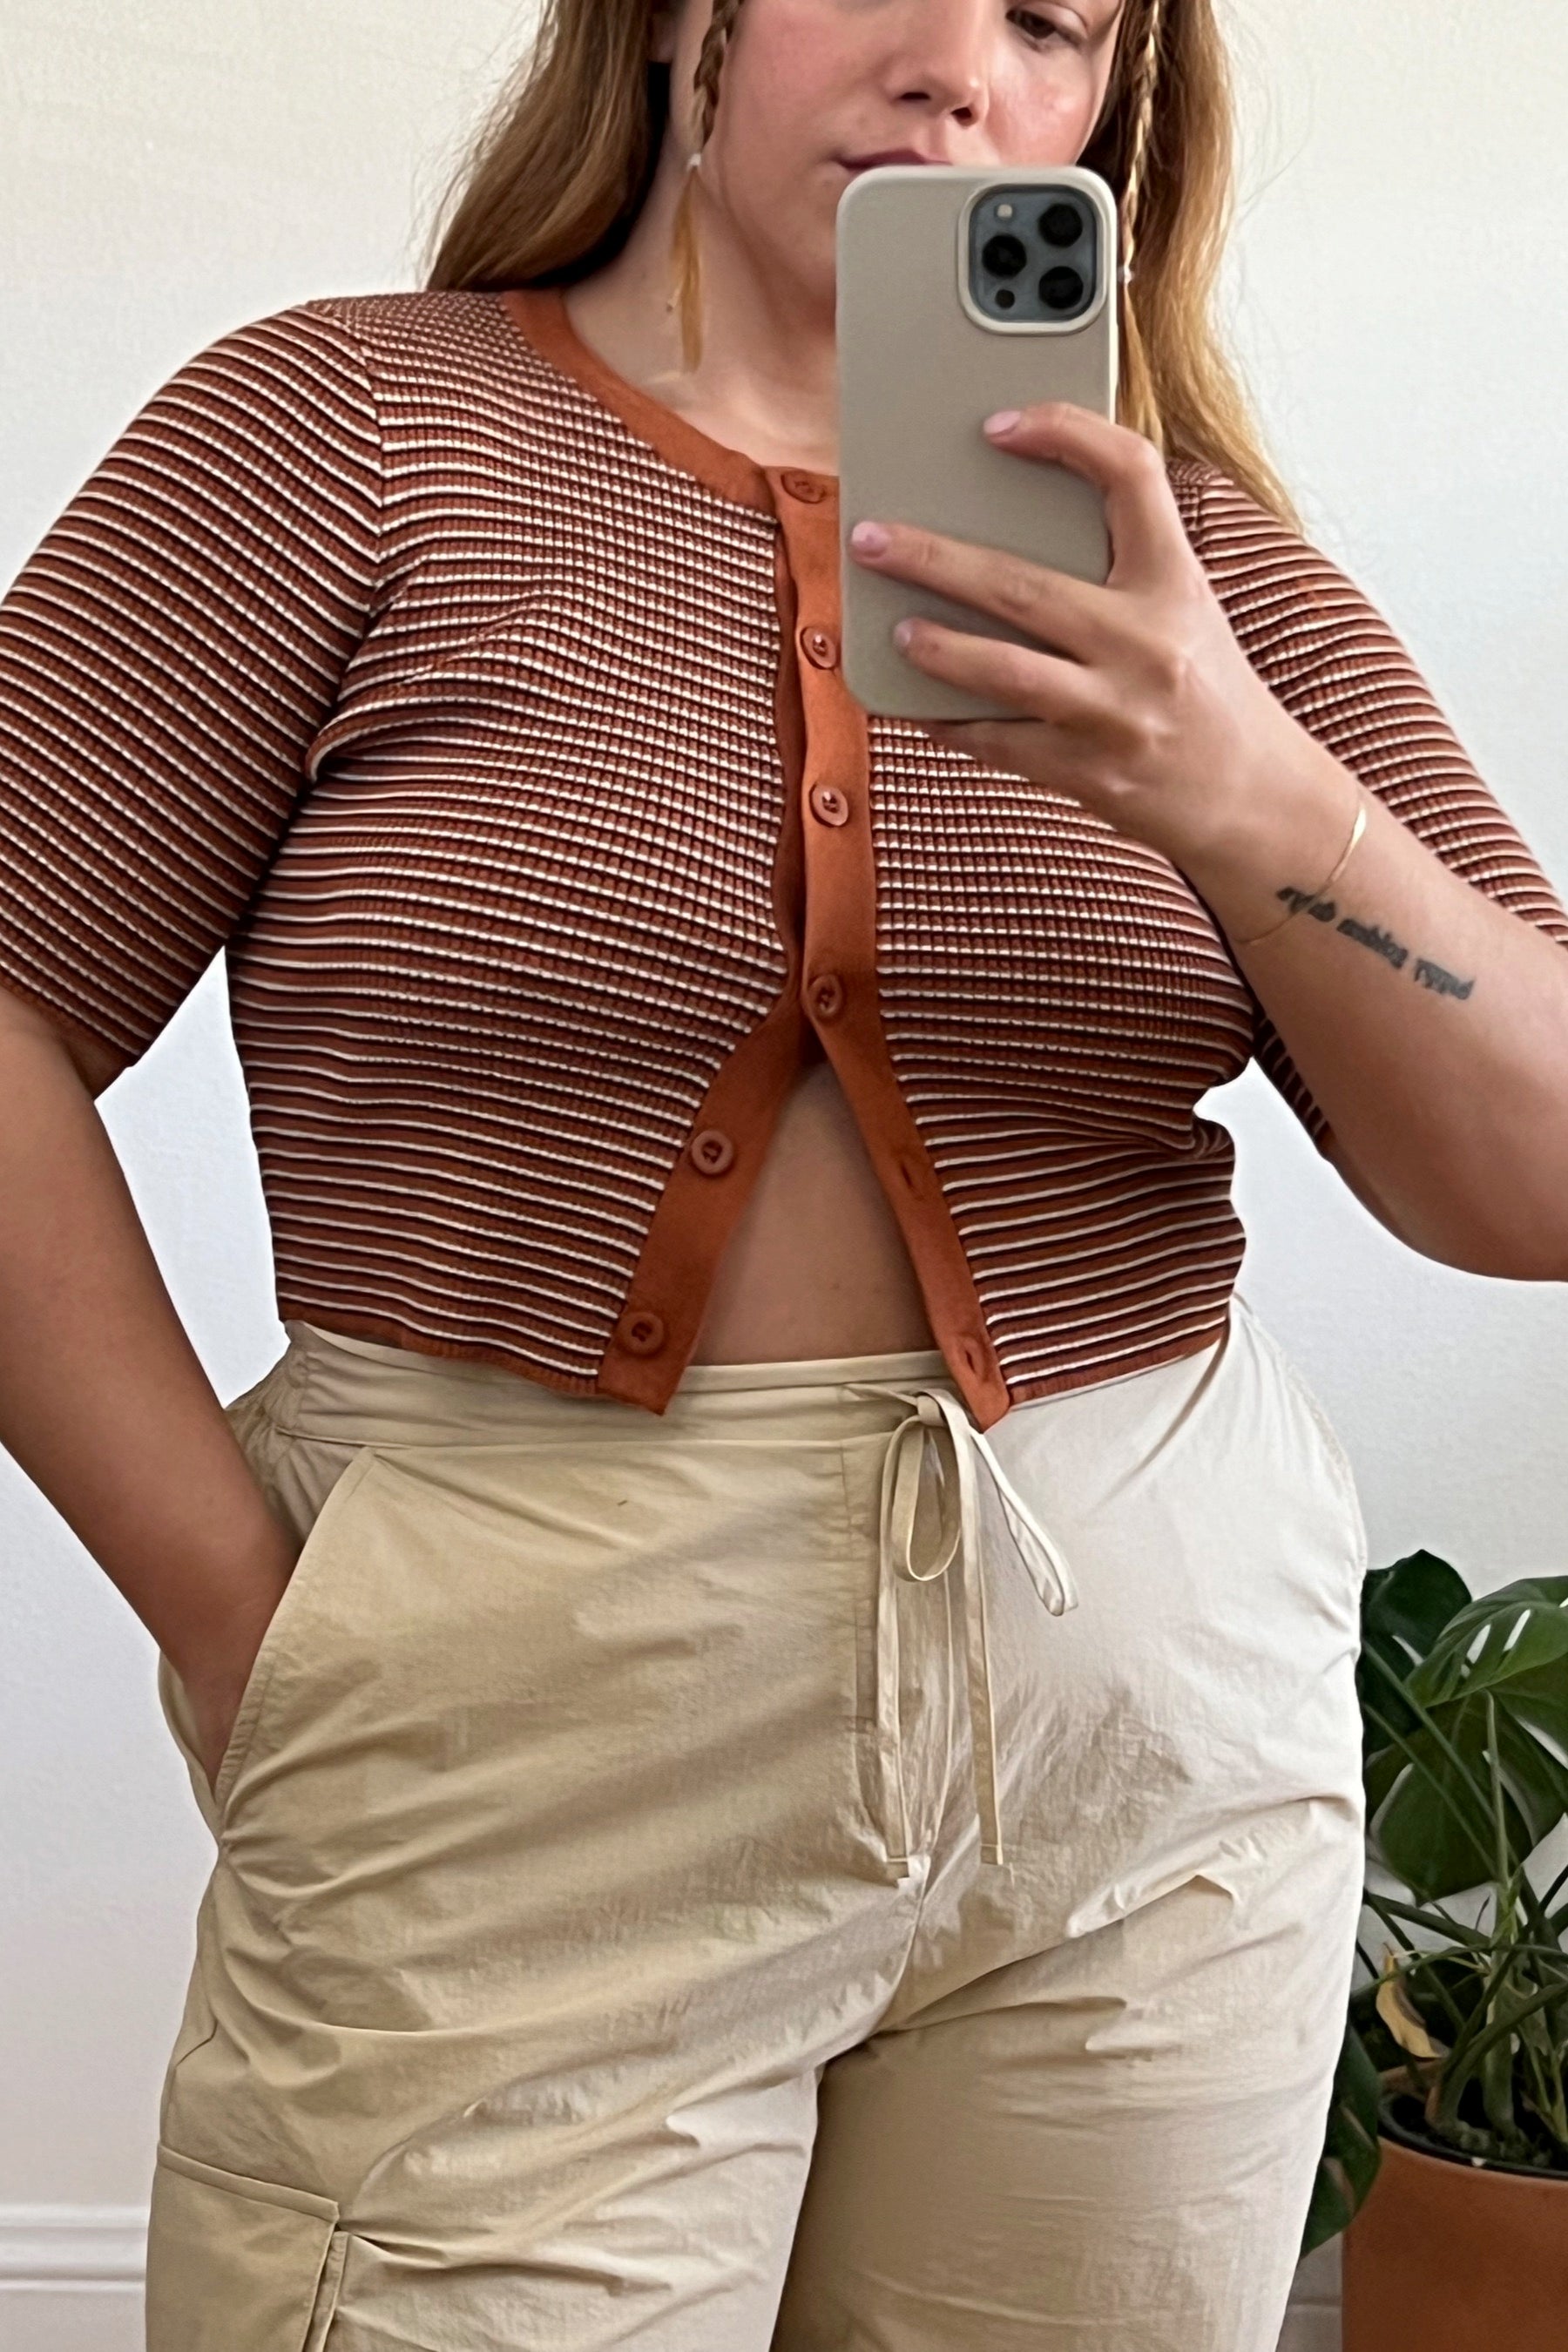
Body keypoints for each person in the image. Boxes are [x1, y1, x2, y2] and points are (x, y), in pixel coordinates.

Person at [3, 0, 1567, 2342]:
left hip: (1150, 1747)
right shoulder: (345, 438)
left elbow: (1536, 1174)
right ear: (682, 21)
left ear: (1110, 109)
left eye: (1051, 20)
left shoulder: (1191, 574)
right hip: (519, 1718)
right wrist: (235, 1610)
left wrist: (1242, 781)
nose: (959, 67)